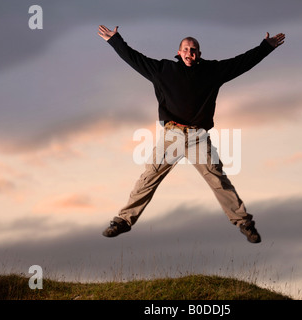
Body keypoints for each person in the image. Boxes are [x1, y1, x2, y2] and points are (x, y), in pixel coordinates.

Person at [97, 25, 285, 243]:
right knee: (148, 178)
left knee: (218, 179)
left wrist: (265, 47)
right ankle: (123, 220)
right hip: (172, 136)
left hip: (198, 138)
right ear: (179, 52)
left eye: (193, 49)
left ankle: (244, 222)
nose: (190, 53)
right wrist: (115, 40)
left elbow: (241, 63)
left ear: (199, 54)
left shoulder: (212, 72)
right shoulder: (162, 70)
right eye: (186, 49)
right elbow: (133, 58)